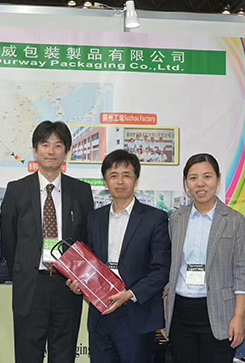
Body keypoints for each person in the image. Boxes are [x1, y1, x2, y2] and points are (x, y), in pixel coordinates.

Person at [0, 120, 94, 363]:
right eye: (45, 144)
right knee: (27, 356)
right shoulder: (17, 190)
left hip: (67, 287)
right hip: (31, 287)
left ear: (66, 152)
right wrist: (23, 269)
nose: (51, 151)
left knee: (64, 356)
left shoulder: (81, 191)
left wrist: (79, 277)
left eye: (58, 145)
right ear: (35, 150)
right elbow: (8, 239)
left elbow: (86, 239)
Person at [67, 150, 171, 363]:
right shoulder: (95, 218)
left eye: (126, 175)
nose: (120, 181)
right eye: (113, 176)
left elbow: (161, 270)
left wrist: (130, 294)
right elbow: (90, 262)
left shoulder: (155, 218)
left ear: (136, 180)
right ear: (106, 181)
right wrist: (79, 283)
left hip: (137, 314)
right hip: (101, 316)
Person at [165, 153, 245, 363]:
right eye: (193, 178)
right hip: (181, 312)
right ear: (186, 183)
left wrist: (239, 316)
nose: (200, 184)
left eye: (207, 176)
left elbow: (242, 272)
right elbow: (172, 267)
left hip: (220, 313)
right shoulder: (177, 218)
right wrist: (166, 312)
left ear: (218, 180)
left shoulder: (234, 220)